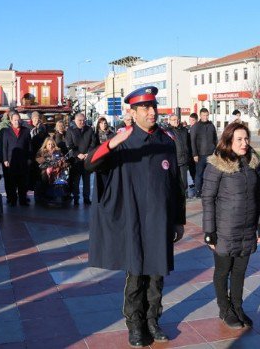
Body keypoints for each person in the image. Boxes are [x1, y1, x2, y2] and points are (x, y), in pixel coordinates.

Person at [85, 86, 185, 347]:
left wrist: (178, 220)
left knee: (157, 275)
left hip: (160, 220)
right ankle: (135, 324)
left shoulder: (167, 141)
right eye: (145, 108)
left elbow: (176, 184)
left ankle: (153, 320)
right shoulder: (124, 141)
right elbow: (89, 164)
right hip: (134, 221)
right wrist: (110, 144)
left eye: (153, 106)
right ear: (133, 112)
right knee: (137, 274)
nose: (152, 112)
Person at [202, 121, 260, 328]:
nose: (244, 143)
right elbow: (208, 199)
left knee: (240, 271)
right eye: (239, 139)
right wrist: (209, 231)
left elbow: (259, 196)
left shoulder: (252, 162)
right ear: (228, 141)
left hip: (247, 228)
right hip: (224, 229)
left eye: (246, 138)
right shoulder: (217, 164)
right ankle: (225, 309)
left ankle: (238, 307)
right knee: (223, 271)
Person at [1, 110, 32, 206]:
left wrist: (29, 159)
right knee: (11, 182)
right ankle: (12, 200)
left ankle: (23, 200)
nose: (17, 122)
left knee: (23, 182)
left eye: (18, 120)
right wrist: (5, 159)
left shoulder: (26, 131)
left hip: (23, 161)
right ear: (11, 120)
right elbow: (4, 147)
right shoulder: (5, 131)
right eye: (15, 120)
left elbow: (29, 147)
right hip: (11, 161)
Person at [65, 112, 95, 205]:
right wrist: (78, 154)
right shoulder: (70, 130)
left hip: (87, 159)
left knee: (87, 180)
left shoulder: (89, 130)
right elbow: (69, 145)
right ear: (75, 120)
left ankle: (86, 198)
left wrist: (87, 153)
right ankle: (76, 198)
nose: (82, 122)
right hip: (76, 160)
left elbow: (93, 143)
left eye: (83, 120)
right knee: (76, 180)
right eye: (80, 120)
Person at [191, 108, 218, 198]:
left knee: (210, 174)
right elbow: (193, 141)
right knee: (199, 174)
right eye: (203, 115)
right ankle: (198, 191)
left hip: (211, 154)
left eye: (207, 115)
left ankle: (209, 191)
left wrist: (216, 151)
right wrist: (195, 154)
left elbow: (215, 139)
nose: (205, 117)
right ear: (200, 115)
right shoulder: (196, 126)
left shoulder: (211, 125)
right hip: (200, 155)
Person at [167, 114, 193, 201]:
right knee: (173, 181)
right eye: (174, 120)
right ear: (169, 121)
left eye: (177, 119)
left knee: (184, 182)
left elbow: (189, 144)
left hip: (184, 159)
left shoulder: (184, 130)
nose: (176, 121)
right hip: (173, 160)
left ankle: (183, 196)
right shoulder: (167, 131)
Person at [29, 111, 49, 193]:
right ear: (32, 119)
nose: (36, 120)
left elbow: (43, 140)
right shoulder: (31, 129)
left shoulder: (42, 128)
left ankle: (40, 193)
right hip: (33, 154)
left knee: (40, 173)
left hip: (40, 154)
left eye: (37, 118)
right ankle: (38, 192)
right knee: (36, 174)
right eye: (34, 118)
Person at [188, 112, 198, 192]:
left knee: (195, 169)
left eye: (193, 120)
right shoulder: (190, 128)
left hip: (195, 153)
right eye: (190, 120)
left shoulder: (196, 128)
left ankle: (197, 184)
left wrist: (195, 154)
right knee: (192, 169)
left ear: (196, 120)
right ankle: (195, 182)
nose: (191, 121)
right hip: (190, 152)